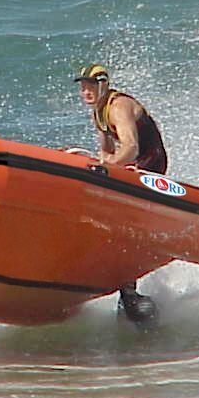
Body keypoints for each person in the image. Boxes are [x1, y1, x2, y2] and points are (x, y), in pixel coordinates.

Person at [74, 63, 169, 324]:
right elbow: (106, 151)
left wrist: (109, 166)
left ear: (103, 85)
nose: (85, 92)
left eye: (90, 86)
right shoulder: (98, 113)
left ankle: (129, 290)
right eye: (82, 87)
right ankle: (124, 287)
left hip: (150, 164)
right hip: (132, 167)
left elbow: (130, 147)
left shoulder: (118, 106)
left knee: (126, 224)